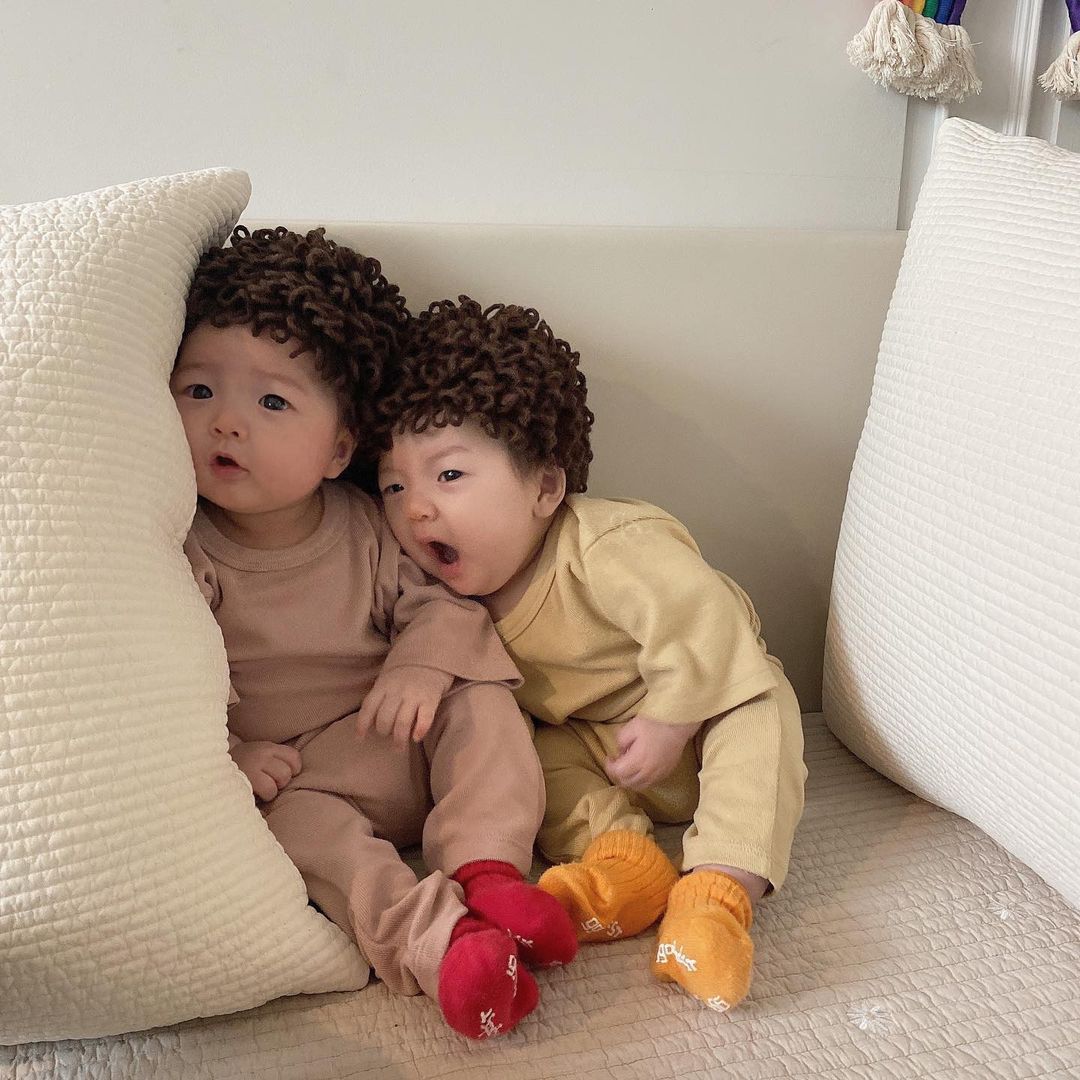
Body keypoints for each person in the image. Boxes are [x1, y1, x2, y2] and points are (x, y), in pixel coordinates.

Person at [170, 231, 575, 1041]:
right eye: (199, 390)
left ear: (340, 450)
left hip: (405, 734)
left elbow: (447, 608)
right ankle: (442, 945)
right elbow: (167, 681)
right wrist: (229, 756)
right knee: (300, 835)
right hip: (302, 778)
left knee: (483, 702)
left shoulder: (367, 524)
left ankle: (489, 870)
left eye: (272, 403)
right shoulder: (186, 552)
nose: (227, 424)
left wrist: (419, 670)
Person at [375, 297, 806, 1014]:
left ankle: (717, 892)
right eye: (394, 486)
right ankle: (625, 867)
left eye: (448, 476)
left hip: (696, 719)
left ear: (545, 487)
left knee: (761, 711)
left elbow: (707, 616)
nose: (415, 508)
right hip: (601, 748)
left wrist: (672, 718)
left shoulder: (603, 546)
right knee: (528, 761)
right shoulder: (447, 600)